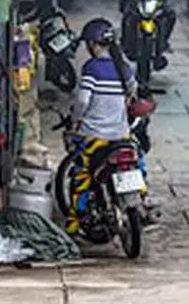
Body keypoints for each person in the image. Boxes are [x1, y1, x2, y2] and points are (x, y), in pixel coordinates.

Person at [65, 18, 135, 234]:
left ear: (93, 44)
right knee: (136, 162)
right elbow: (132, 92)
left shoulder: (91, 68)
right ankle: (140, 199)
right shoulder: (125, 67)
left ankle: (75, 222)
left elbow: (83, 101)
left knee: (81, 174)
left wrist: (77, 118)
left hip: (95, 136)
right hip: (122, 135)